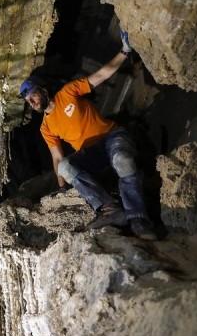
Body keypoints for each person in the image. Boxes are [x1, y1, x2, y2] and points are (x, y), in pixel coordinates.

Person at [19, 31, 156, 240]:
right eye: (28, 100)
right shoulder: (46, 127)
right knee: (65, 166)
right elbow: (57, 157)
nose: (32, 102)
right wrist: (62, 186)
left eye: (33, 95)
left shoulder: (68, 92)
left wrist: (124, 52)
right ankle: (110, 209)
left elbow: (101, 75)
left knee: (123, 160)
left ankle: (139, 219)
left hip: (111, 136)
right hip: (92, 154)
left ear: (43, 90)